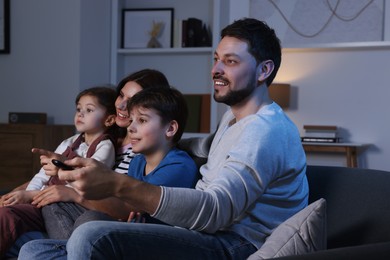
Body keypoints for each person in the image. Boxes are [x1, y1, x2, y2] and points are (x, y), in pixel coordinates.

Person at [19, 18, 308, 259]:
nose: (216, 70)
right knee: (34, 249)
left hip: (235, 243)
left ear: (264, 70)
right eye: (216, 59)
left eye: (230, 62)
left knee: (91, 234)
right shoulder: (233, 120)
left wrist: (116, 184)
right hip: (199, 234)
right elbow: (203, 147)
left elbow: (217, 210)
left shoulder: (265, 131)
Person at [1, 69, 172, 258]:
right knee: (8, 217)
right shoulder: (97, 135)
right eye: (121, 95)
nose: (122, 105)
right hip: (60, 206)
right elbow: (45, 175)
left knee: (35, 233)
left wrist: (70, 191)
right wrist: (16, 193)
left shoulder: (143, 150)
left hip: (85, 212)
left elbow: (132, 202)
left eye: (133, 99)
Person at [42, 86, 199, 239]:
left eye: (142, 120)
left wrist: (75, 195)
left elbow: (126, 207)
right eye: (131, 120)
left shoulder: (179, 166)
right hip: (132, 229)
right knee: (36, 242)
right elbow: (124, 209)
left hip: (160, 239)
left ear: (170, 128)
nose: (131, 128)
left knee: (90, 221)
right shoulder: (137, 162)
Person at [0, 86, 118, 258]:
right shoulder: (68, 142)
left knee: (13, 215)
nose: (80, 114)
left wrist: (32, 195)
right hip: (42, 198)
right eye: (78, 109)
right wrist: (26, 195)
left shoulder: (105, 147)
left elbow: (87, 179)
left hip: (69, 205)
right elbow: (42, 175)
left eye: (89, 110)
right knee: (6, 212)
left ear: (109, 120)